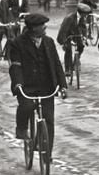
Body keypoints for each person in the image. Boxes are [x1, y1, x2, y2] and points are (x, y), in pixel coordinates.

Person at [8, 13, 68, 145]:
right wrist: (18, 84)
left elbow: (57, 64)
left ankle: (48, 155)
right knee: (27, 106)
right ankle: (22, 128)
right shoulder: (17, 43)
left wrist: (63, 85)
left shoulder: (48, 42)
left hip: (46, 87)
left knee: (49, 119)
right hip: (26, 86)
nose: (45, 27)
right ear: (33, 28)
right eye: (42, 25)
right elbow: (15, 66)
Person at [57, 2, 92, 75]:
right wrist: (64, 42)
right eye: (85, 14)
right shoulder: (69, 18)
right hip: (67, 35)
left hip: (76, 35)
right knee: (68, 50)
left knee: (81, 46)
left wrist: (84, 37)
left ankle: (76, 61)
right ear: (81, 12)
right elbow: (63, 30)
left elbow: (83, 28)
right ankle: (67, 69)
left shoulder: (82, 18)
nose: (86, 15)